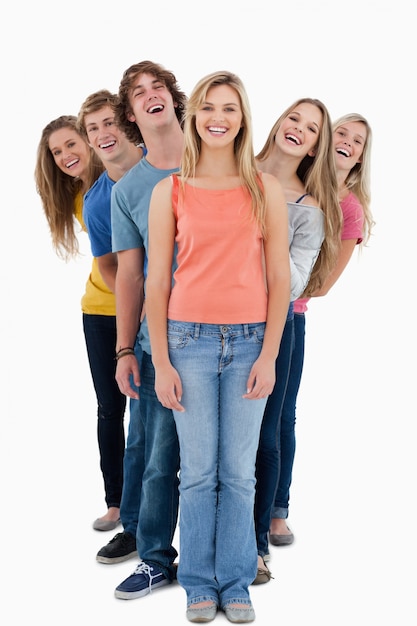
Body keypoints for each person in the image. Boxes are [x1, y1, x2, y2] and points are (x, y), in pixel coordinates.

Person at [146, 70, 291, 624]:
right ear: (194, 118)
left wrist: (269, 354)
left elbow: (279, 277)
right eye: (208, 107)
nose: (217, 118)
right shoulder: (171, 190)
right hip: (188, 342)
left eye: (229, 109)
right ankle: (197, 584)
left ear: (242, 118)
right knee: (199, 472)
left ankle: (236, 583)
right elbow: (158, 281)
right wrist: (161, 361)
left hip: (252, 340)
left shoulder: (264, 189)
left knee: (240, 472)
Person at [97, 61, 187, 599]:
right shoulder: (129, 188)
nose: (151, 97)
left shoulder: (215, 160)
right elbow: (129, 275)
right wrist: (124, 348)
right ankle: (155, 557)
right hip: (157, 345)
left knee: (223, 460)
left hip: (227, 337)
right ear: (131, 115)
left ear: (174, 99)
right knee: (157, 461)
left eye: (158, 88)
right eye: (138, 94)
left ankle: (231, 554)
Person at [267, 112, 374, 549]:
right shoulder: (297, 180)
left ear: (363, 157)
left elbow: (324, 285)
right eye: (342, 134)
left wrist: (278, 283)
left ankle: (277, 511)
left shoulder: (348, 208)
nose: (347, 143)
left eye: (358, 141)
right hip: (246, 314)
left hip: (291, 313)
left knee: (281, 417)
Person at [253, 98, 342, 583]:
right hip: (206, 323)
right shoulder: (235, 168)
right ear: (279, 121)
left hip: (275, 324)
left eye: (311, 129)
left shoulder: (308, 208)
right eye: (295, 118)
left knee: (268, 431)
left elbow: (291, 280)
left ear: (313, 147)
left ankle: (257, 543)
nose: (299, 130)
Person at [34, 116, 128, 531]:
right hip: (99, 310)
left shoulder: (122, 178)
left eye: (71, 144)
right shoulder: (79, 195)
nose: (66, 156)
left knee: (149, 414)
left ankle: (152, 505)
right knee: (110, 409)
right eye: (57, 152)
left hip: (141, 308)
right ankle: (116, 502)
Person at [76, 89, 145, 532]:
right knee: (119, 412)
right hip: (122, 315)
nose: (102, 134)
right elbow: (116, 270)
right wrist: (129, 340)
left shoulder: (166, 165)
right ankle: (124, 510)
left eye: (108, 122)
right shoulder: (98, 200)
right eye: (92, 128)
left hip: (194, 313)